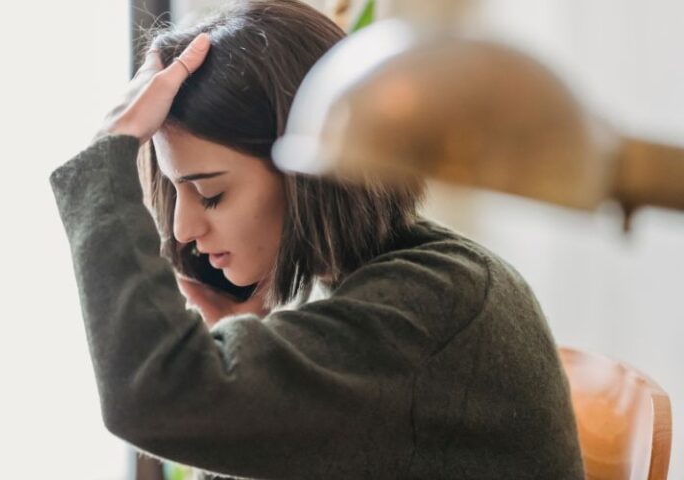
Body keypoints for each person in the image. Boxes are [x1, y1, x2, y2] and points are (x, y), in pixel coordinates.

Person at [49, 1, 584, 479]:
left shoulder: (436, 305)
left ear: (306, 175)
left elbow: (155, 394)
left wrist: (106, 157)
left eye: (210, 195)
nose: (185, 231)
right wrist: (249, 347)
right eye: (176, 192)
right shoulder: (378, 282)